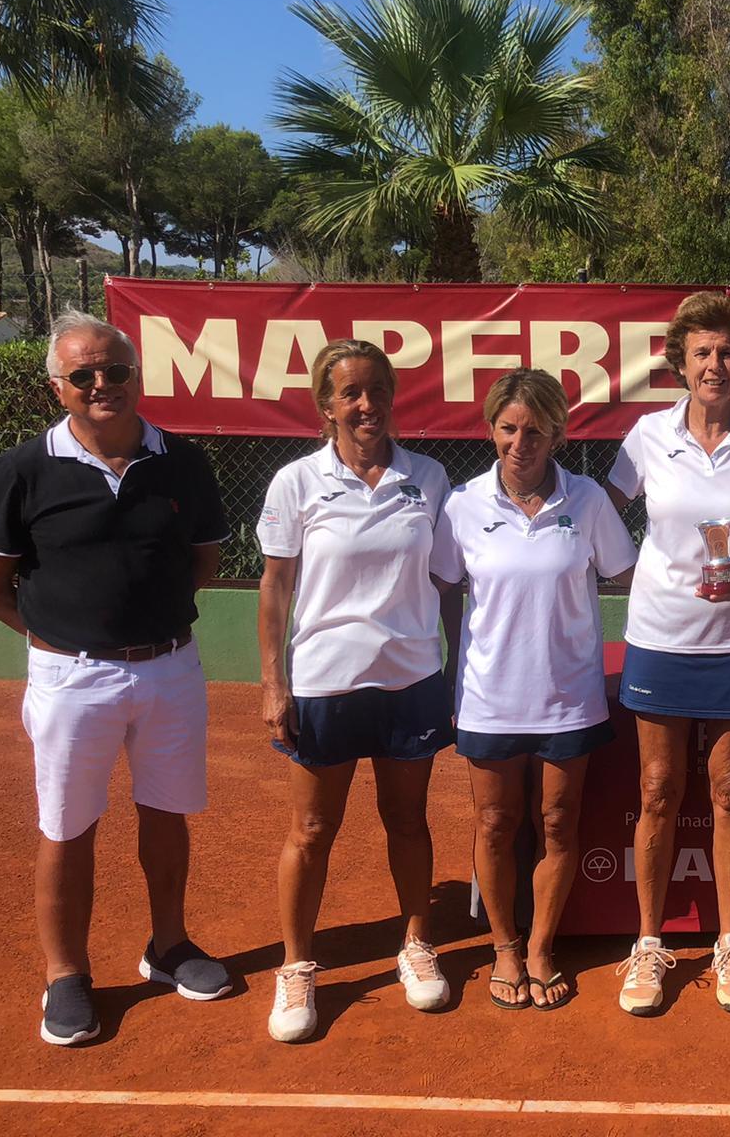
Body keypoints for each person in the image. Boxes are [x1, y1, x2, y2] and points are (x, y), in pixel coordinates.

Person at [0, 309, 232, 1046]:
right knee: (67, 827)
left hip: (170, 668)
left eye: (114, 371)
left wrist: (145, 629)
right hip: (70, 682)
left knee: (165, 813)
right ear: (59, 388)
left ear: (135, 377)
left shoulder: (182, 462)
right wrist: (61, 643)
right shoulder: (20, 471)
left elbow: (200, 564)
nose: (101, 384)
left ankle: (169, 947)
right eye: (83, 375)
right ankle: (66, 975)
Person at [606, 291, 730, 1017]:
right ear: (680, 363)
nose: (714, 364)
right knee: (658, 791)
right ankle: (650, 942)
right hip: (660, 637)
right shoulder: (645, 437)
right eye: (701, 353)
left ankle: (729, 940)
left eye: (726, 352)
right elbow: (602, 513)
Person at [257, 339, 458, 1043]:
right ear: (327, 405)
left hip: (410, 679)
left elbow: (446, 582)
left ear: (392, 396)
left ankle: (415, 945)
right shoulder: (297, 482)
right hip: (324, 682)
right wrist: (274, 682)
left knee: (408, 822)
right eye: (350, 393)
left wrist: (456, 666)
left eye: (376, 390)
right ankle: (297, 965)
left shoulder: (429, 478)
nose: (366, 404)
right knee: (311, 830)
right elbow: (276, 585)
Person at [439, 369, 638, 1011]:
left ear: (558, 432)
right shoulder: (463, 504)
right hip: (488, 698)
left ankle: (542, 946)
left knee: (557, 822)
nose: (520, 441)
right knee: (495, 824)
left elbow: (631, 576)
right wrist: (452, 670)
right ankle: (503, 946)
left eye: (535, 429)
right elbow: (445, 592)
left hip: (569, 697)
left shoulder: (587, 502)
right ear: (491, 429)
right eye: (508, 427)